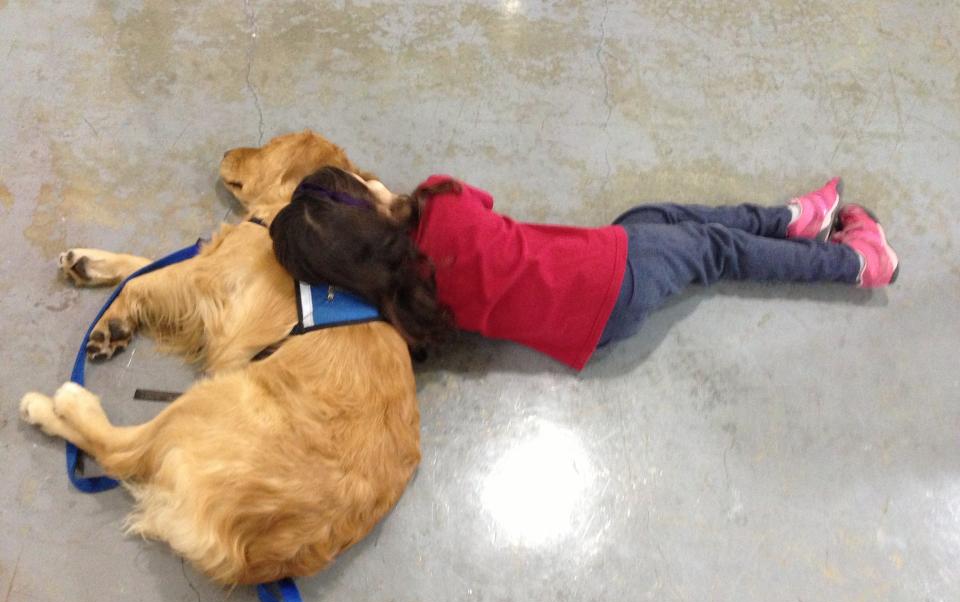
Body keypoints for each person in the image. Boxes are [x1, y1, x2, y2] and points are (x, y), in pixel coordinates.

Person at [269, 168, 899, 370]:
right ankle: (854, 262)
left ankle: (789, 220)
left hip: (592, 315)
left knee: (655, 214)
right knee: (710, 246)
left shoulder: (400, 306)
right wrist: (399, 197)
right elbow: (473, 200)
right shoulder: (440, 208)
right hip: (609, 280)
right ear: (370, 198)